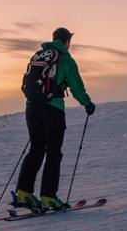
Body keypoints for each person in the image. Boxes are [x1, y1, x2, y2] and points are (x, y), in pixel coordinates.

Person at [13, 27, 95, 211]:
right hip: (52, 109)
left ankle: (24, 193)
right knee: (53, 151)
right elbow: (76, 86)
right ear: (67, 41)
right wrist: (87, 104)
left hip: (31, 107)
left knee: (36, 148)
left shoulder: (39, 56)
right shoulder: (65, 59)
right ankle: (49, 196)